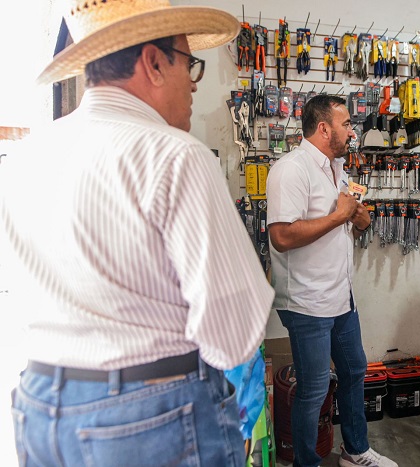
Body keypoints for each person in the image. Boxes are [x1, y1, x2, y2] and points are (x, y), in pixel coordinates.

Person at [0, 1, 274, 465]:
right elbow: (234, 334)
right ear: (152, 62)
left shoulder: (26, 158)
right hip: (152, 417)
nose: (193, 83)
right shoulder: (176, 155)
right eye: (191, 65)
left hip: (39, 406)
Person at [266, 95, 397, 467]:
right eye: (346, 124)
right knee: (313, 388)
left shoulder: (336, 169)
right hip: (307, 301)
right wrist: (341, 216)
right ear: (324, 129)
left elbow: (351, 221)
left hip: (341, 295)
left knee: (355, 370)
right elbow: (283, 236)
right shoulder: (290, 170)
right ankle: (306, 462)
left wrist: (359, 219)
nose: (353, 131)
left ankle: (355, 452)